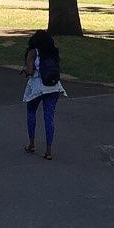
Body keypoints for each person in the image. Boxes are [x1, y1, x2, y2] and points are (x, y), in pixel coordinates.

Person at [22, 29, 67, 160]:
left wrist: (26, 70)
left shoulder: (33, 53)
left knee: (31, 113)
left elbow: (29, 71)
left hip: (36, 86)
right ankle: (48, 151)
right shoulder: (53, 52)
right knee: (49, 118)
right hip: (53, 87)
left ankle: (31, 143)